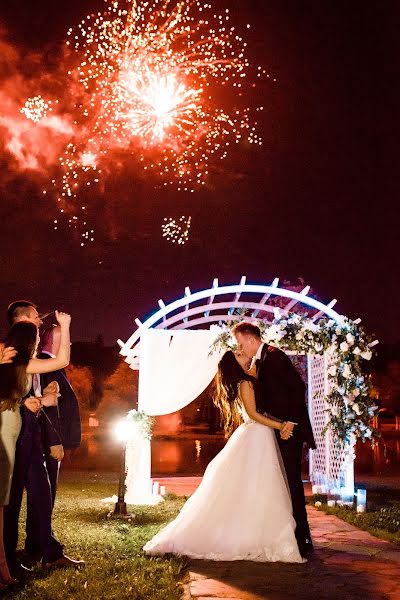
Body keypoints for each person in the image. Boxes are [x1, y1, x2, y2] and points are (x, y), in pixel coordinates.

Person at [144, 350, 304, 563]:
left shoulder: (248, 379)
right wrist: (281, 425)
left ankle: (255, 530)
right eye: (238, 354)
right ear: (234, 364)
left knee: (256, 486)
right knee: (258, 484)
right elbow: (255, 414)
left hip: (258, 435)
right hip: (256, 435)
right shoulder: (245, 384)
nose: (242, 352)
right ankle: (254, 534)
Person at [4, 306, 84, 571]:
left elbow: (61, 362)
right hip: (13, 431)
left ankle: (46, 551)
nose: (41, 321)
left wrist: (40, 399)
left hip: (31, 432)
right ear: (25, 322)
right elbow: (9, 396)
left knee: (41, 493)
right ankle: (9, 559)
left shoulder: (29, 360)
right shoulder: (9, 355)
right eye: (36, 317)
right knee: (12, 499)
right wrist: (37, 400)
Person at [232, 321, 316, 557]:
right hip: (278, 429)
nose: (240, 348)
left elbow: (298, 388)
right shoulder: (261, 361)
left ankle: (302, 538)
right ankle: (294, 534)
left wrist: (289, 422)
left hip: (289, 430)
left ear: (250, 339)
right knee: (284, 485)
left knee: (291, 484)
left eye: (240, 343)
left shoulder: (274, 356)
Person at [22, 324, 82, 558]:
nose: (68, 345)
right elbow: (50, 411)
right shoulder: (47, 367)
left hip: (46, 442)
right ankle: (39, 546)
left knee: (44, 497)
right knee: (43, 497)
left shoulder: (49, 367)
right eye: (64, 342)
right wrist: (54, 440)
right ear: (51, 344)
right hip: (46, 442)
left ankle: (36, 545)